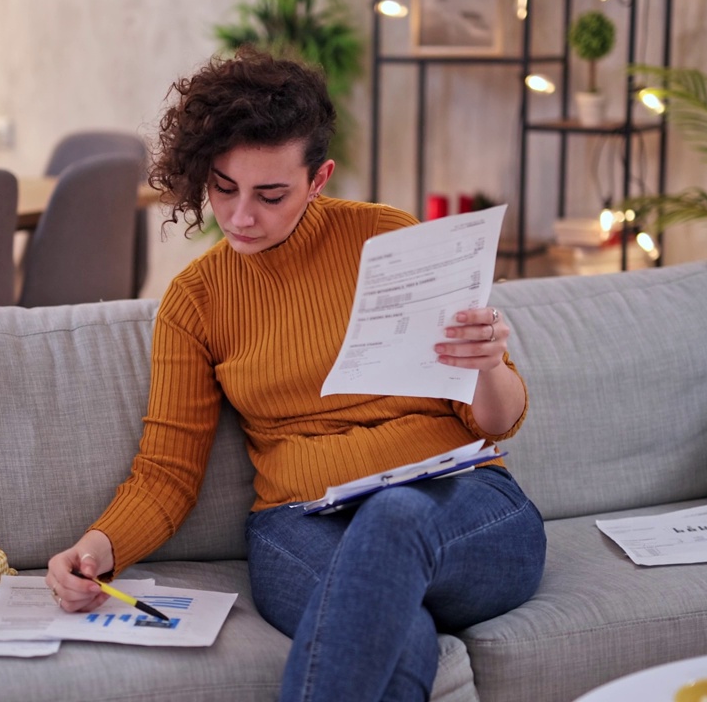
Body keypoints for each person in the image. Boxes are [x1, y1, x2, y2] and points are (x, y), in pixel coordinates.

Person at [46, 49, 546, 702]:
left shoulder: (388, 239)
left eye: (270, 193)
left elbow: (496, 420)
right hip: (302, 525)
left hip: (461, 509)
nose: (240, 217)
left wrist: (483, 367)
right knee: (397, 632)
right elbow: (167, 473)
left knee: (395, 517)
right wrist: (92, 549)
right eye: (223, 187)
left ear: (319, 179)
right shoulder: (197, 300)